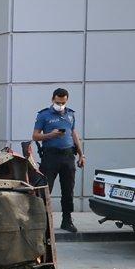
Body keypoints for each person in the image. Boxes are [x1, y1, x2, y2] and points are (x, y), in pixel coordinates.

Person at [33, 87, 85, 233]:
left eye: (63, 102)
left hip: (68, 156)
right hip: (50, 156)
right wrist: (51, 135)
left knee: (68, 190)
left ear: (66, 101)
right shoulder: (44, 115)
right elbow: (35, 136)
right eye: (58, 102)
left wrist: (81, 154)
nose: (60, 105)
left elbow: (74, 134)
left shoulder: (70, 114)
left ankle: (67, 220)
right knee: (45, 189)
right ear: (52, 99)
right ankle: (43, 222)